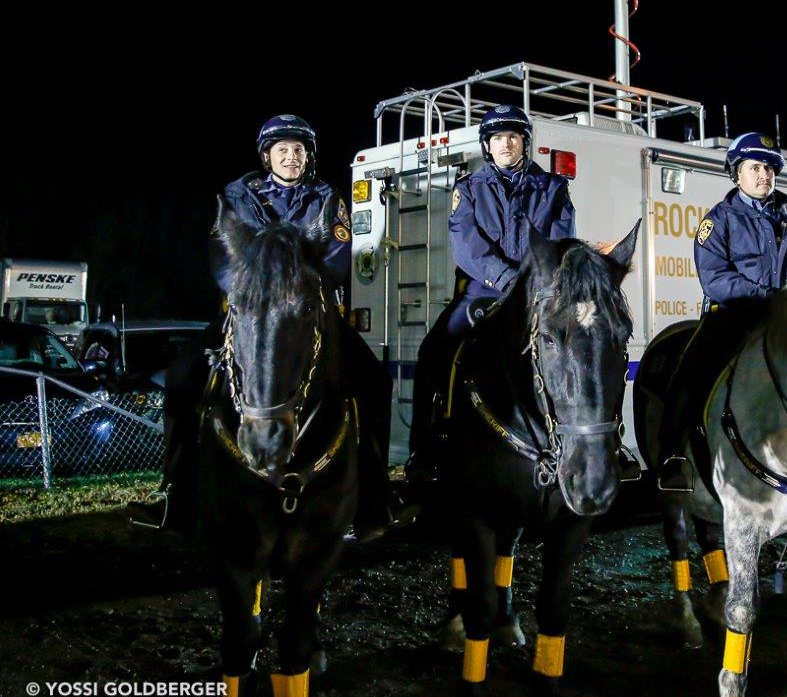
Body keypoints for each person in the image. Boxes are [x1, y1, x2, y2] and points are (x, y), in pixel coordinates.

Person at [130, 115, 399, 541]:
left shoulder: (326, 197)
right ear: (266, 156)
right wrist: (252, 288)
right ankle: (176, 494)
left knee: (373, 382)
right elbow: (221, 253)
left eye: (299, 150)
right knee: (183, 378)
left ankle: (374, 498)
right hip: (249, 309)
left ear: (308, 157)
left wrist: (298, 286)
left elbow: (338, 252)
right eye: (283, 150)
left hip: (310, 311)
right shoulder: (236, 197)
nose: (292, 157)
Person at [404, 105, 576, 481]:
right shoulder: (468, 190)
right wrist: (508, 280)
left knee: (584, 349)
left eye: (513, 137)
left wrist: (533, 282)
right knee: (435, 350)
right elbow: (467, 247)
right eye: (498, 138)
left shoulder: (553, 189)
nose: (506, 144)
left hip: (538, 294)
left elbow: (560, 241)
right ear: (487, 145)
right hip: (482, 292)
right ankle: (423, 448)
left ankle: (594, 443)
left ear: (524, 143)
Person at [657, 132, 787, 491]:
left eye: (769, 168)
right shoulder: (718, 220)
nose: (764, 175)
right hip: (734, 315)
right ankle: (673, 455)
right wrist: (766, 294)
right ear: (736, 174)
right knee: (690, 372)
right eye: (755, 168)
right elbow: (715, 279)